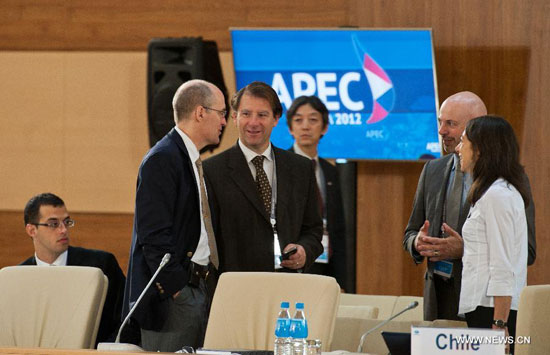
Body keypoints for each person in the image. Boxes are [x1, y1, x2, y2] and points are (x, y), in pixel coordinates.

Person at [403, 91, 536, 321]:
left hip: (485, 304)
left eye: (451, 124)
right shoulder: (432, 170)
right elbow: (410, 232)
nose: (441, 131)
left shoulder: (506, 185)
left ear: (477, 130)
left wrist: (466, 249)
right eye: (440, 122)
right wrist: (418, 242)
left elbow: (525, 251)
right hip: (439, 302)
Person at [123, 79, 227, 352]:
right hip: (174, 297)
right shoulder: (163, 158)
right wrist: (177, 289)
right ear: (200, 112)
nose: (225, 122)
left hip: (199, 288)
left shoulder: (188, 157)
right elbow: (153, 235)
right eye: (222, 113)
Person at [203, 81, 323, 273]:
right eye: (246, 114)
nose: (253, 122)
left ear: (276, 119)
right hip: (236, 285)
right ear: (234, 117)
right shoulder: (212, 170)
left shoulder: (301, 168)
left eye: (262, 115)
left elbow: (313, 230)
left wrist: (304, 251)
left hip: (288, 284)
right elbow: (208, 238)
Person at [454, 115, 528, 353]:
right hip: (484, 307)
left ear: (480, 150)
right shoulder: (490, 193)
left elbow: (503, 264)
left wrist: (499, 323)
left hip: (493, 310)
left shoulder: (499, 195)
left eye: (463, 141)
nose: (458, 148)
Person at [20, 192, 126, 347]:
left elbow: (126, 319)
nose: (63, 230)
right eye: (54, 224)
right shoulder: (18, 278)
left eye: (67, 222)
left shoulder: (101, 265)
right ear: (31, 230)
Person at [286, 95, 347, 289]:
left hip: (325, 265)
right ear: (290, 128)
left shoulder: (331, 172)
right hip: (290, 266)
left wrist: (342, 278)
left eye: (313, 120)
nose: (305, 126)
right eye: (298, 120)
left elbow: (338, 228)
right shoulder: (281, 167)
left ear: (324, 127)